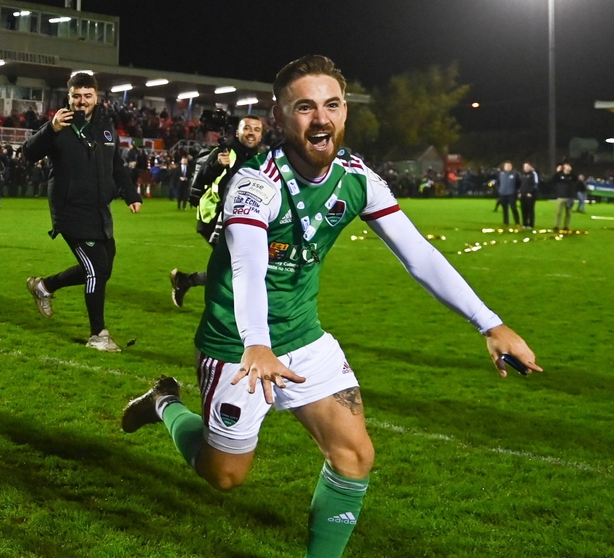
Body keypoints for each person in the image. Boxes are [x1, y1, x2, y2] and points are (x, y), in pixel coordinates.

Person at [119, 55, 539, 558]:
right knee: (225, 476)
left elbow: (419, 255)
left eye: (332, 105)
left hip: (304, 337)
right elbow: (248, 265)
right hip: (238, 343)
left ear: (344, 113)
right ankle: (165, 401)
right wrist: (256, 342)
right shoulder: (255, 185)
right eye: (305, 107)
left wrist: (490, 324)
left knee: (355, 456)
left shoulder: (357, 178)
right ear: (280, 117)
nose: (321, 118)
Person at [23, 73, 142, 352]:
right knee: (97, 270)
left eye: (87, 96)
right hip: (70, 210)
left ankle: (43, 286)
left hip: (100, 210)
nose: (81, 102)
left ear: (96, 98)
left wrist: (130, 193)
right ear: (69, 98)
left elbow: (116, 167)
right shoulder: (58, 126)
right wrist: (50, 128)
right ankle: (98, 334)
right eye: (76, 96)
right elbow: (28, 152)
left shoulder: (105, 127)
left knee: (102, 268)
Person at [172, 116, 267, 306]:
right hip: (215, 219)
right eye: (247, 128)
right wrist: (217, 165)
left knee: (235, 267)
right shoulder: (225, 152)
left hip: (242, 220)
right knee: (240, 267)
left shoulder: (260, 159)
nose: (251, 133)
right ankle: (224, 307)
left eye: (256, 129)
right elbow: (202, 176)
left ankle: (186, 281)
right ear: (238, 132)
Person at [552, 162, 580, 231]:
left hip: (570, 197)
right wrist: (557, 172)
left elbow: (576, 179)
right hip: (561, 196)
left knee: (568, 213)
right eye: (566, 167)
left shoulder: (572, 176)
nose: (567, 168)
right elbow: (553, 180)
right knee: (559, 212)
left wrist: (571, 172)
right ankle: (556, 225)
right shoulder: (559, 175)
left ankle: (566, 226)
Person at [493, 161, 518, 226]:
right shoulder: (501, 174)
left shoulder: (515, 174)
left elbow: (518, 183)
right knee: (505, 209)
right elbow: (497, 183)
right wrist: (499, 190)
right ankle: (506, 222)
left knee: (513, 208)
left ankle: (517, 222)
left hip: (511, 194)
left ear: (511, 167)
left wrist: (515, 190)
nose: (507, 167)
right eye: (506, 166)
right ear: (504, 167)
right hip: (503, 194)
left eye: (509, 166)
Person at [517, 161, 539, 228]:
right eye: (525, 167)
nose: (526, 168)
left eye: (527, 166)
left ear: (530, 167)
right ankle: (524, 223)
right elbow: (520, 184)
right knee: (523, 209)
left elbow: (536, 184)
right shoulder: (522, 174)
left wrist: (530, 192)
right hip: (522, 195)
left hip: (530, 195)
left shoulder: (533, 174)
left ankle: (531, 224)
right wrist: (519, 192)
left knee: (530, 210)